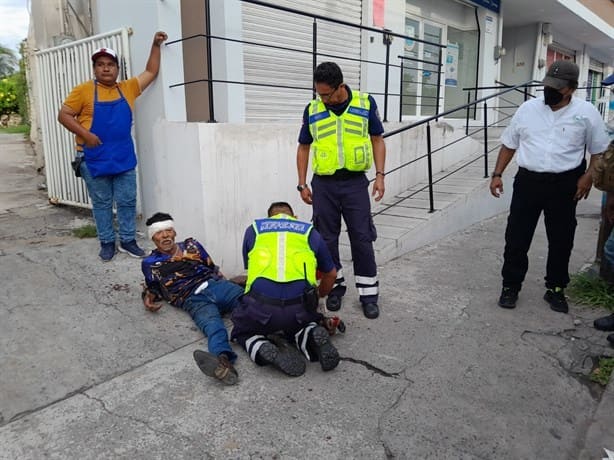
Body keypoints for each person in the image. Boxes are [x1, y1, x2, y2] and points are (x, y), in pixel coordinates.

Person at [490, 60, 610, 313]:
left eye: (557, 87)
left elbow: (598, 151)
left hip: (566, 184)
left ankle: (556, 288)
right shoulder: (527, 109)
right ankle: (511, 286)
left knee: (561, 239)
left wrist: (588, 177)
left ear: (572, 88)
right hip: (528, 181)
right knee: (516, 236)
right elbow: (509, 143)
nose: (549, 90)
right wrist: (497, 173)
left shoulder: (587, 113)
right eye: (547, 85)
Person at [58, 31, 168, 262]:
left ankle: (128, 240)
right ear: (95, 69)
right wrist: (86, 135)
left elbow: (151, 71)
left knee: (127, 201)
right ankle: (107, 242)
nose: (106, 68)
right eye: (100, 65)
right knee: (102, 203)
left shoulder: (127, 88)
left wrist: (155, 44)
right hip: (94, 158)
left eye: (110, 64)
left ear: (117, 69)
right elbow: (64, 115)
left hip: (123, 157)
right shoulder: (83, 91)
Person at [296, 61, 386, 319]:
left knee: (362, 236)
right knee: (326, 239)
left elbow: (377, 140)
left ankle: (368, 294)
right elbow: (303, 147)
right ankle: (335, 287)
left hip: (356, 183)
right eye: (318, 93)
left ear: (340, 87)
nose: (322, 99)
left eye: (326, 94)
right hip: (323, 184)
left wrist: (380, 176)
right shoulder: (312, 109)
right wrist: (302, 183)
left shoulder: (364, 103)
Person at [231, 201, 340, 376]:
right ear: (294, 217)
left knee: (242, 331)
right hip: (299, 309)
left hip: (261, 308)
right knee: (300, 325)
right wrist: (318, 297)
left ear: (269, 218)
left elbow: (250, 269)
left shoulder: (254, 229)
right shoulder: (308, 231)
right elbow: (332, 274)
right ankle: (311, 334)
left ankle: (261, 346)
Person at [141, 212, 244, 385]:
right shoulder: (150, 262)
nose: (165, 235)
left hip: (215, 285)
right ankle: (223, 362)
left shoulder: (192, 245)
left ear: (174, 233)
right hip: (192, 299)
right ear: (153, 237)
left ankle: (269, 340)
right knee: (214, 328)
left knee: (250, 305)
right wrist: (148, 297)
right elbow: (153, 286)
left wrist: (228, 286)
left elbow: (212, 267)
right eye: (159, 233)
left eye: (168, 231)